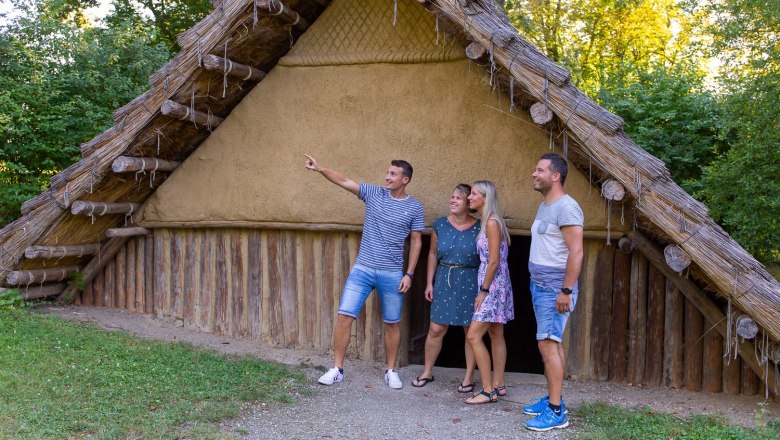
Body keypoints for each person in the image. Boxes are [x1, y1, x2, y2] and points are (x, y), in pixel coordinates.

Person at [304, 154, 424, 389]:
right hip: (363, 269)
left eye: (393, 174)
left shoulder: (414, 207)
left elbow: (417, 242)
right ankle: (337, 369)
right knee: (344, 316)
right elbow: (345, 181)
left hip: (392, 273)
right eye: (388, 172)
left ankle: (391, 370)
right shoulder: (374, 193)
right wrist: (320, 169)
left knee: (392, 323)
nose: (387, 177)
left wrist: (409, 274)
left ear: (405, 179)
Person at [523, 153, 584, 431]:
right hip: (540, 285)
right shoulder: (545, 205)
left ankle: (557, 412)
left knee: (547, 344)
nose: (534, 174)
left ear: (555, 175)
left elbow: (576, 251)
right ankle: (551, 399)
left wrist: (566, 291)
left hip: (555, 288)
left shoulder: (567, 208)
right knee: (551, 343)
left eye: (540, 170)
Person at [411, 184, 479, 392]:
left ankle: (468, 377)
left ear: (469, 203)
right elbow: (432, 254)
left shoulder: (480, 226)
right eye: (452, 197)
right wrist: (429, 282)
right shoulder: (440, 224)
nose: (453, 200)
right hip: (444, 278)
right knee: (436, 329)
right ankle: (427, 371)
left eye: (458, 198)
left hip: (470, 280)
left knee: (471, 332)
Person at [463, 180, 514, 404]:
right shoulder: (491, 222)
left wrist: (483, 291)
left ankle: (487, 390)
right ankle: (499, 384)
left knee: (473, 335)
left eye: (474, 194)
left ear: (486, 197)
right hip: (498, 283)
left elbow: (493, 261)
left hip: (491, 286)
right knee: (495, 334)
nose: (469, 198)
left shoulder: (492, 223)